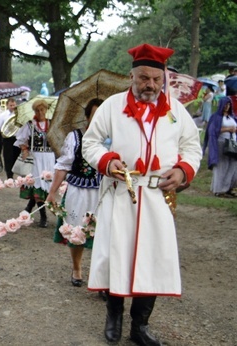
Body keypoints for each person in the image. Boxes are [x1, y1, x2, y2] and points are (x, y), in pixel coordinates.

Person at [82, 43, 202, 345]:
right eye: (144, 78)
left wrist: (183, 170)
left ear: (164, 78)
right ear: (131, 76)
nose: (151, 85)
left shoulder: (175, 110)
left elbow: (192, 147)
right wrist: (108, 162)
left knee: (153, 259)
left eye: (157, 79)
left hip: (158, 197)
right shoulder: (112, 106)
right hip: (122, 192)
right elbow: (91, 143)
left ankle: (140, 326)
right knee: (115, 256)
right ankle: (114, 316)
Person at [46, 98, 103, 287]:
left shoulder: (113, 139)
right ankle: (77, 268)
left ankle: (101, 276)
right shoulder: (75, 137)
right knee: (77, 231)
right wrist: (52, 192)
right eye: (94, 115)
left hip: (103, 192)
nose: (98, 119)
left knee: (104, 234)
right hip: (78, 191)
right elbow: (63, 166)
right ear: (87, 117)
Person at [14, 99, 55, 227]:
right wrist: (25, 149)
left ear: (46, 109)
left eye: (42, 109)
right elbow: (21, 140)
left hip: (49, 157)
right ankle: (43, 216)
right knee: (37, 183)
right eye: (37, 110)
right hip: (36, 157)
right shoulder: (30, 125)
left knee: (45, 185)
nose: (40, 112)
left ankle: (28, 209)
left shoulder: (52, 124)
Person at [203, 97, 237, 197]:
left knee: (233, 166)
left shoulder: (232, 117)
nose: (227, 107)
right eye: (225, 104)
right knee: (221, 166)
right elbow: (212, 130)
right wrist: (228, 129)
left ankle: (229, 188)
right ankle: (219, 190)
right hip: (221, 143)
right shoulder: (216, 117)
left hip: (233, 144)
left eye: (229, 104)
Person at [0, 98, 21, 179]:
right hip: (7, 139)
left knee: (16, 156)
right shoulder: (3, 115)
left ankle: (14, 172)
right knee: (8, 157)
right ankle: (9, 175)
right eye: (10, 105)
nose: (12, 107)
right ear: (7, 105)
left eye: (14, 105)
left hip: (17, 138)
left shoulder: (19, 114)